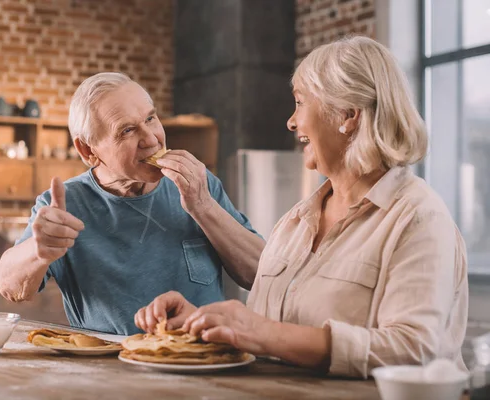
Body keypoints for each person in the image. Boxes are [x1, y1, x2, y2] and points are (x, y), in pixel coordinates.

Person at [134, 36, 469, 378]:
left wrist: (263, 334)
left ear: (348, 115)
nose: (291, 122)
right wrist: (205, 325)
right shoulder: (295, 221)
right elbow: (268, 335)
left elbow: (416, 350)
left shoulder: (418, 218)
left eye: (300, 103)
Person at [0, 72, 265, 335]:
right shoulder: (64, 204)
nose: (151, 139)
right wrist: (38, 248)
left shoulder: (199, 183)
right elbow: (10, 287)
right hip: (111, 373)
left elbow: (259, 274)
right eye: (127, 130)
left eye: (151, 118)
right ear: (88, 151)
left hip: (203, 364)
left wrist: (204, 207)